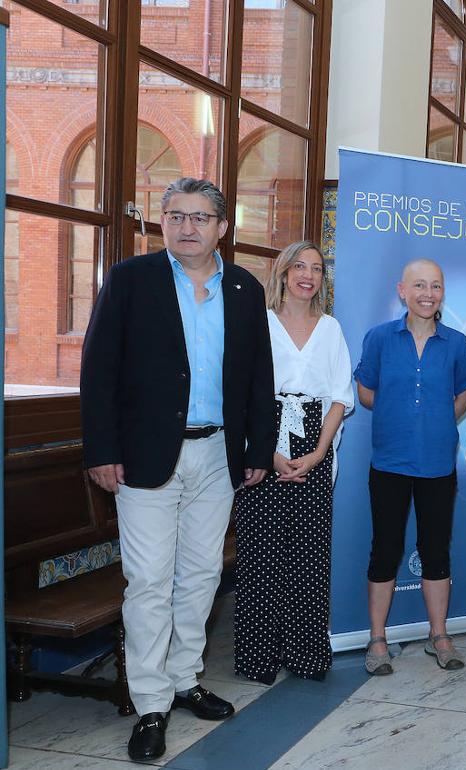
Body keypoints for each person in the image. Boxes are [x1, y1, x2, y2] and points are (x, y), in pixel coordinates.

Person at [80, 177, 276, 762]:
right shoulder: (130, 281)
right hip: (143, 457)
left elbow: (259, 379)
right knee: (148, 582)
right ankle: (150, 704)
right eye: (175, 216)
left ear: (222, 227)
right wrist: (100, 450)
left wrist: (258, 452)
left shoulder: (243, 288)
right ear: (162, 223)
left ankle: (186, 678)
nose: (186, 227)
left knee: (199, 576)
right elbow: (98, 372)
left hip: (219, 456)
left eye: (199, 217)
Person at [233, 241, 353, 684]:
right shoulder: (257, 324)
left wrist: (320, 453)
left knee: (308, 559)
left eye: (317, 268)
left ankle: (305, 655)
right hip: (264, 444)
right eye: (299, 266)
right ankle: (258, 658)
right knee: (260, 558)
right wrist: (267, 452)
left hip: (314, 441)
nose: (308, 274)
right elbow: (242, 393)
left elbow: (341, 396)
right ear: (283, 273)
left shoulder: (331, 329)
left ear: (323, 280)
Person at [354, 259, 466, 674]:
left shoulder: (457, 343)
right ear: (402, 290)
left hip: (438, 464)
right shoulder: (380, 338)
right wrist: (400, 414)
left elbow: (463, 396)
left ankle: (438, 636)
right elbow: (366, 391)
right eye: (419, 285)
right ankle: (377, 639)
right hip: (389, 462)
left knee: (436, 550)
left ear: (443, 292)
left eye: (435, 286)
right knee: (385, 549)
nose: (428, 293)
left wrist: (433, 421)